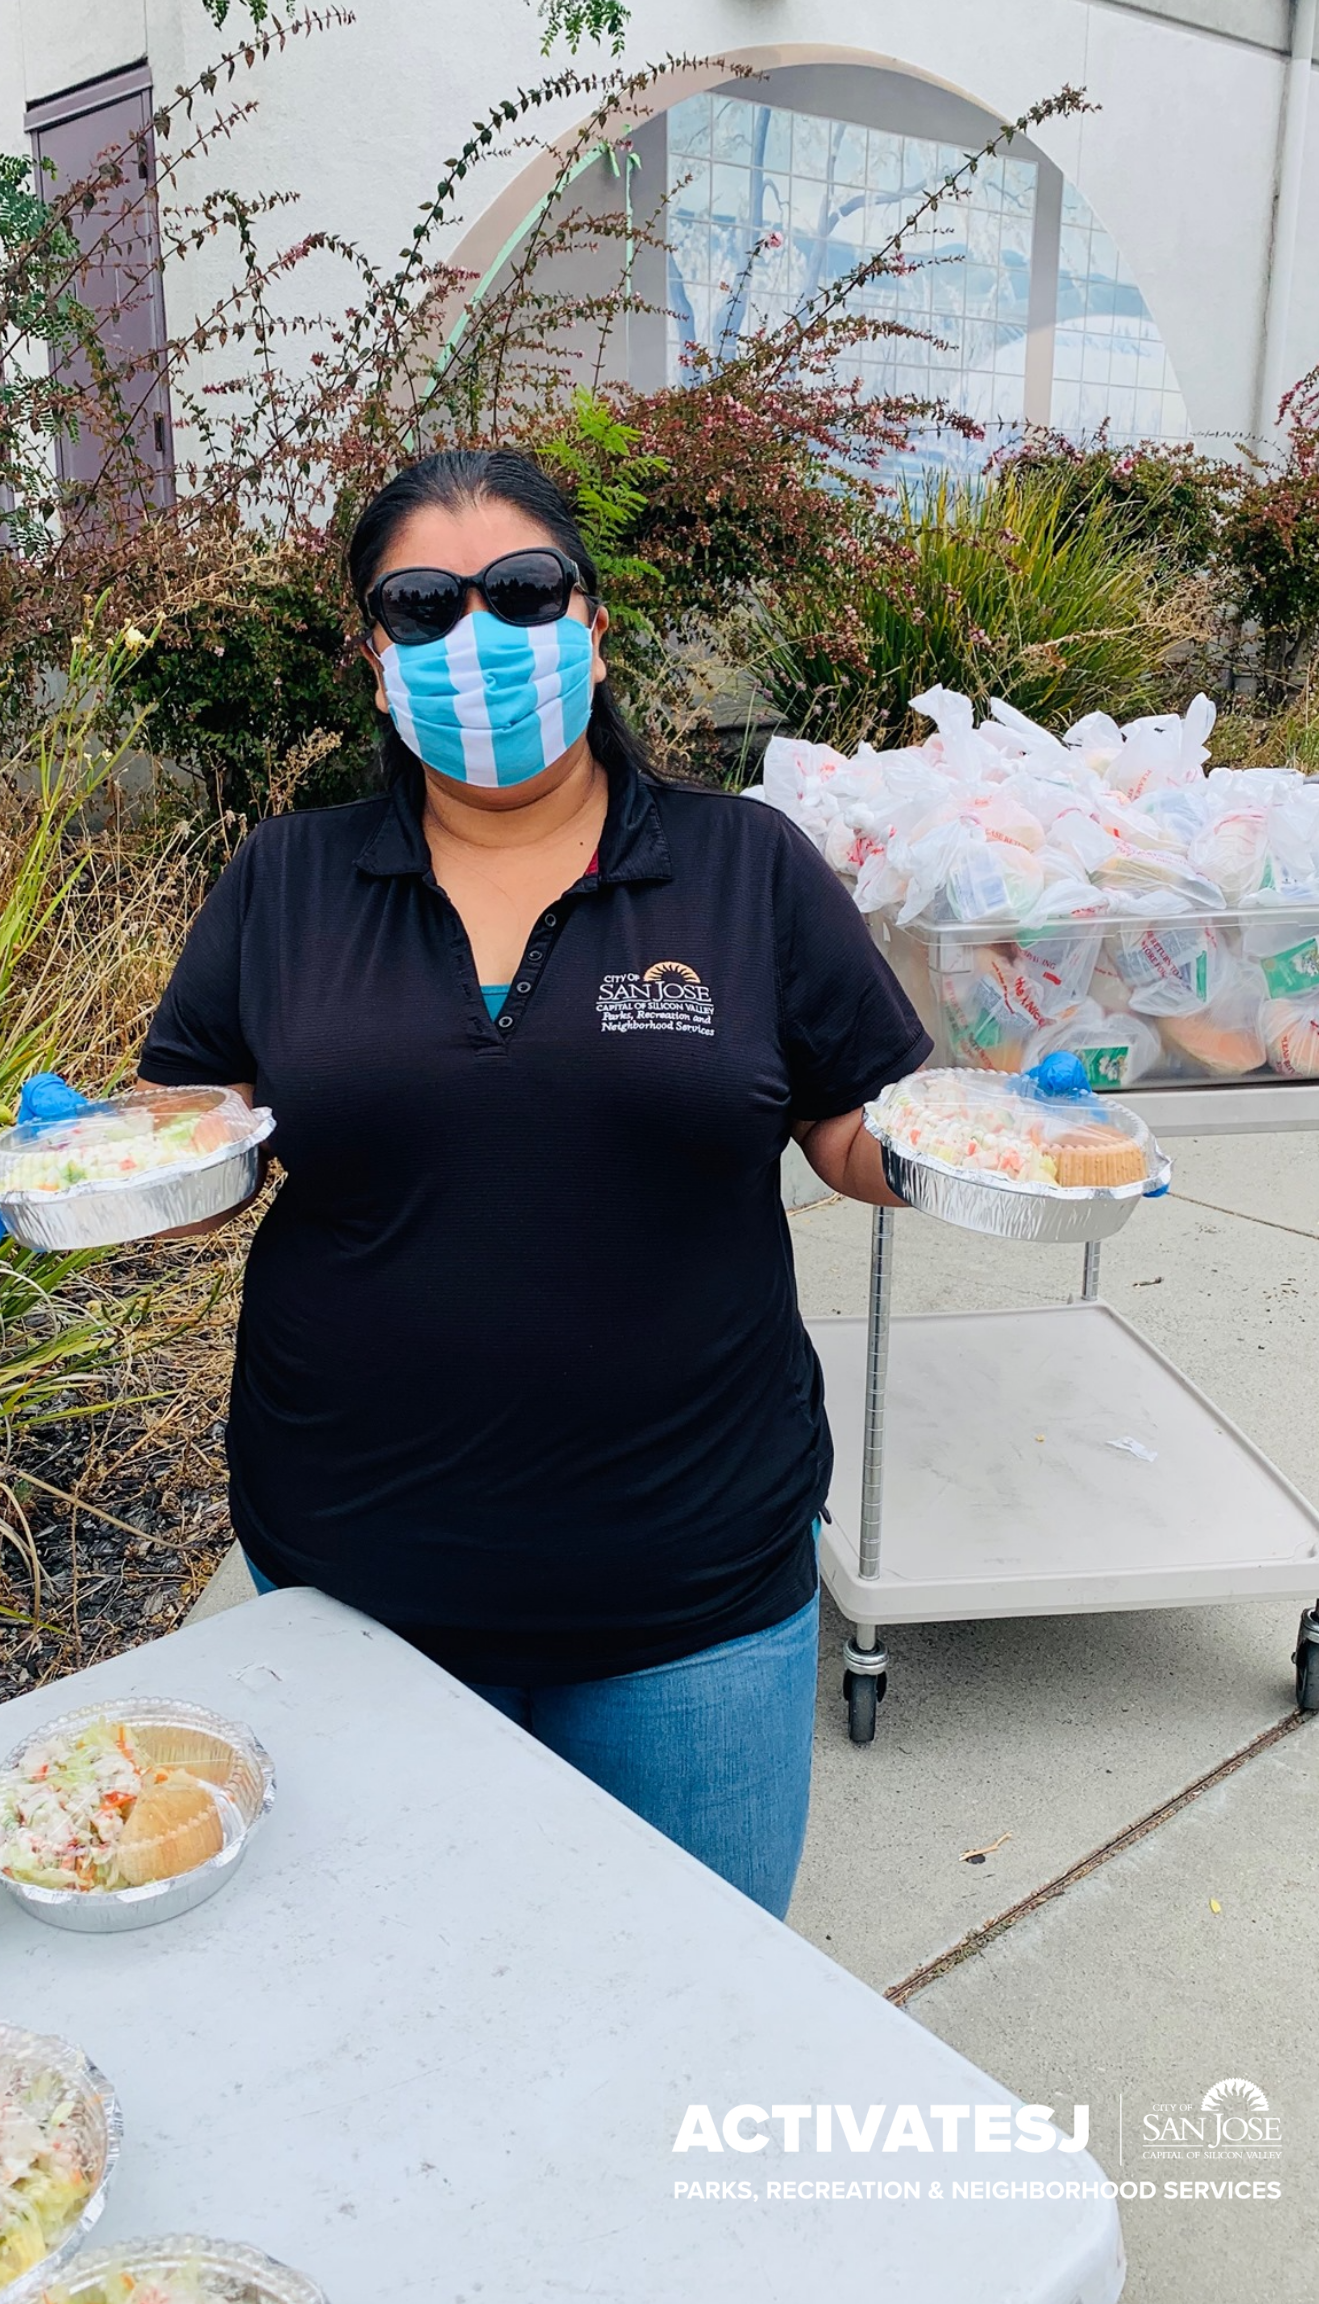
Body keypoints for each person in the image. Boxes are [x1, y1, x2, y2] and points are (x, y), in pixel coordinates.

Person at [138, 449, 932, 1919]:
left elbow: (845, 1127)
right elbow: (200, 1132)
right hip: (357, 1577)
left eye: (520, 591)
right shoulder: (287, 880)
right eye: (423, 605)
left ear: (591, 622)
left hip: (690, 1585)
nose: (478, 638)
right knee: (420, 2012)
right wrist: (94, 1163)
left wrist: (980, 1154)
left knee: (689, 2001)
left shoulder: (743, 868)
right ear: (376, 657)